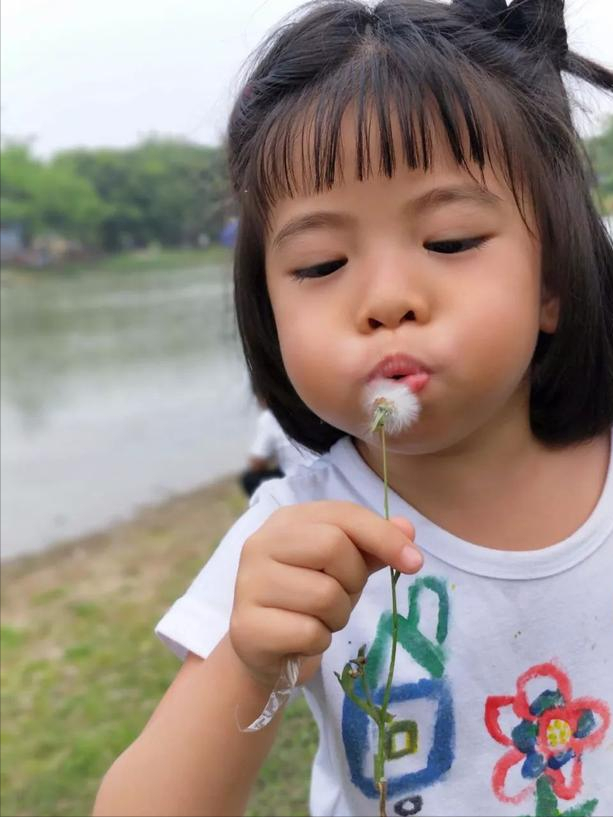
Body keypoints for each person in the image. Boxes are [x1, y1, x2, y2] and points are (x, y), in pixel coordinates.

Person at [94, 1, 613, 815]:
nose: (384, 301)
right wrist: (248, 660)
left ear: (551, 281)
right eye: (320, 262)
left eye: (447, 242)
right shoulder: (288, 536)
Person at [240, 403, 317, 496]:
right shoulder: (311, 406)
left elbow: (256, 463)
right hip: (322, 464)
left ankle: (269, 506)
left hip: (297, 476)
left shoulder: (270, 416)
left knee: (249, 479)